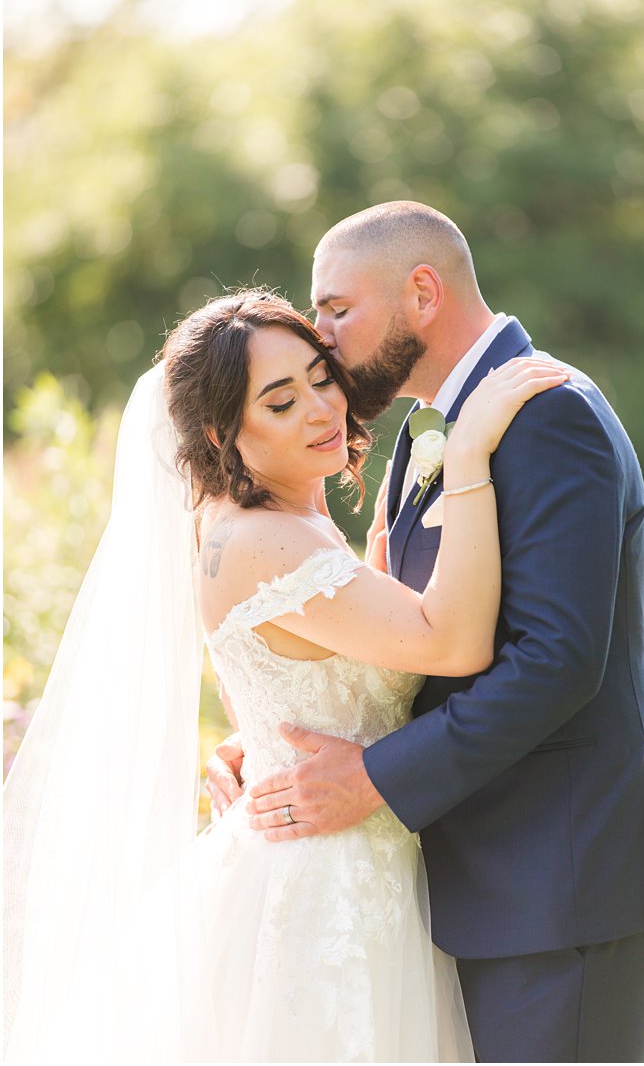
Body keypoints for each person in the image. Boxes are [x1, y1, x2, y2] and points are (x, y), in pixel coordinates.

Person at [205, 201, 644, 1062]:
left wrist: (372, 776)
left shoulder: (550, 413)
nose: (321, 337)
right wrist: (274, 737)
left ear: (423, 293)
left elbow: (556, 661)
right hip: (466, 883)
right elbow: (397, 639)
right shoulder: (425, 434)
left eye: (336, 310)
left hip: (557, 881)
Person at [4, 288, 566, 1060]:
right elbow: (454, 642)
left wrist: (251, 738)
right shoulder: (265, 540)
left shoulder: (281, 520)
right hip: (323, 889)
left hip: (350, 860)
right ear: (220, 433)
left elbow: (306, 665)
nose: (320, 408)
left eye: (318, 377)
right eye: (279, 401)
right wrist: (466, 452)